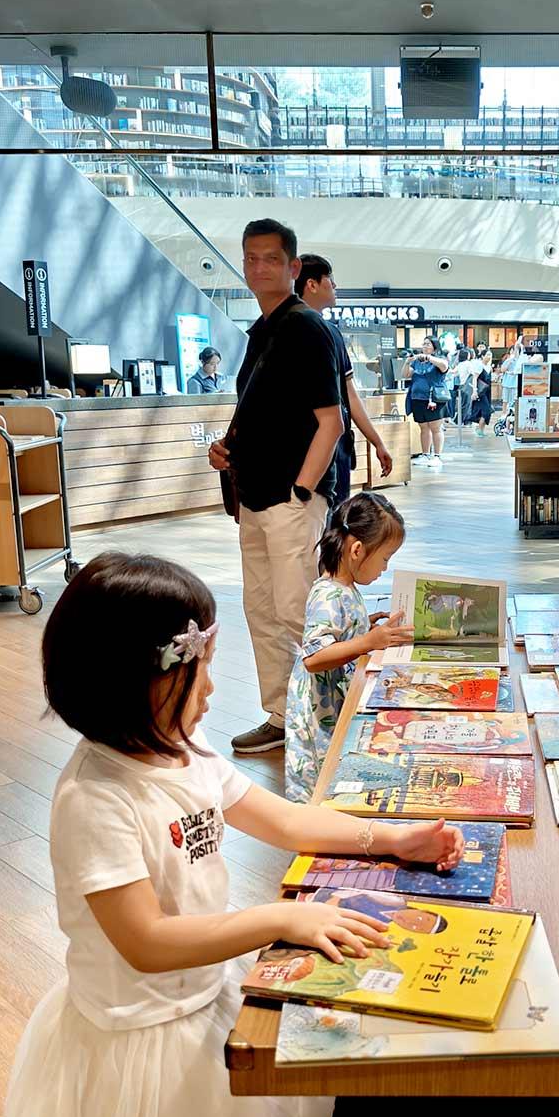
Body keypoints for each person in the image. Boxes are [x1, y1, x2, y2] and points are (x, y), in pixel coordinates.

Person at [0, 553, 463, 1117]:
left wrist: (388, 838)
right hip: (131, 1038)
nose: (216, 680)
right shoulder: (95, 798)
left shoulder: (184, 754)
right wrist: (277, 922)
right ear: (145, 681)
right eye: (200, 666)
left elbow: (279, 818)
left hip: (194, 1006)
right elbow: (147, 942)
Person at [208, 218, 343, 757]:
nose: (258, 267)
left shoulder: (306, 329)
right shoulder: (261, 332)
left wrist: (304, 491)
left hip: (291, 499)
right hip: (254, 498)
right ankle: (282, 715)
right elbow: (265, 414)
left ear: (293, 268)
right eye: (250, 258)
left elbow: (330, 422)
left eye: (270, 259)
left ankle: (339, 708)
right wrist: (227, 448)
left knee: (298, 610)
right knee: (262, 611)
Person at [284, 493, 409, 802]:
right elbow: (314, 658)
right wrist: (366, 641)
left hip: (334, 704)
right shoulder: (327, 594)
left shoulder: (343, 587)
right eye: (384, 558)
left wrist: (363, 624)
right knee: (318, 785)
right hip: (318, 715)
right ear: (356, 550)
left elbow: (337, 633)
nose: (384, 568)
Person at [294, 253, 393, 503]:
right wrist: (378, 443)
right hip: (316, 458)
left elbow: (349, 396)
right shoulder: (322, 333)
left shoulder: (320, 332)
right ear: (311, 284)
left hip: (315, 457)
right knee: (324, 526)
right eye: (330, 278)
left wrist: (377, 441)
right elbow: (349, 395)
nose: (335, 285)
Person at [408, 336, 452, 467]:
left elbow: (444, 366)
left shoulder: (440, 359)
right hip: (418, 398)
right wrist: (407, 362)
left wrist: (429, 358)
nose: (425, 346)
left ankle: (437, 456)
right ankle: (425, 454)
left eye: (428, 344)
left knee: (436, 428)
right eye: (424, 343)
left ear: (434, 346)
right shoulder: (417, 362)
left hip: (434, 399)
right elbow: (406, 374)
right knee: (423, 427)